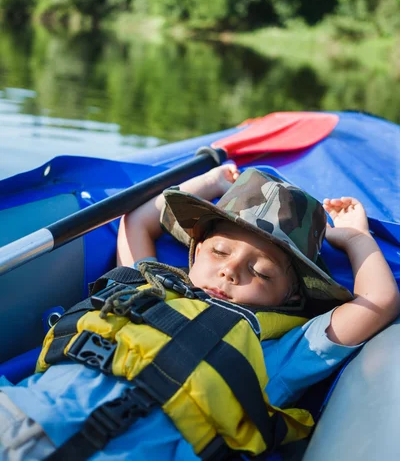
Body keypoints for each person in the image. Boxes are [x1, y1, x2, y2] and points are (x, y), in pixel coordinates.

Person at [0, 165, 399, 461]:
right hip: (19, 411)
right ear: (194, 254)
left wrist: (355, 237)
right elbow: (138, 221)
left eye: (260, 272)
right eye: (219, 251)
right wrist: (211, 183)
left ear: (290, 298)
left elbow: (378, 301)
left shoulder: (278, 350)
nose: (229, 270)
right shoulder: (146, 285)